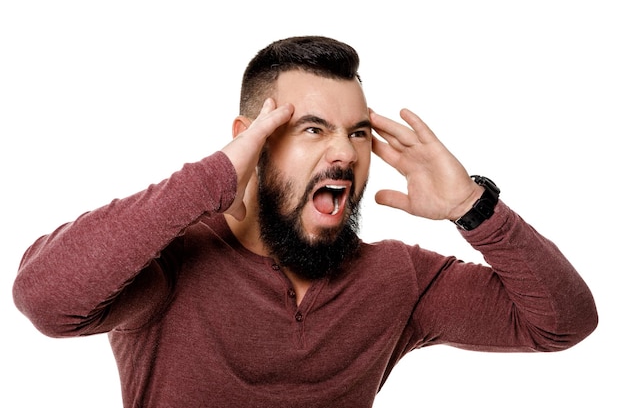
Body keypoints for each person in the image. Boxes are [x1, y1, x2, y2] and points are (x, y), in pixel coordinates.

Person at [13, 36, 597, 407]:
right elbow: (44, 299)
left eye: (357, 132)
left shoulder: (399, 279)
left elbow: (562, 324)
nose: (343, 153)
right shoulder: (172, 262)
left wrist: (475, 207)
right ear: (253, 141)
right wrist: (211, 179)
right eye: (313, 129)